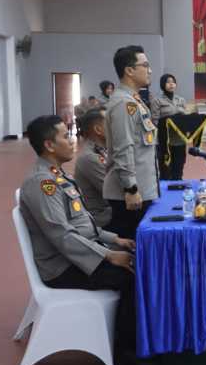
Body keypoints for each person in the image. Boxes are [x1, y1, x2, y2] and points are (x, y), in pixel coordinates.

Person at [18, 115, 148, 365]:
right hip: (62, 267)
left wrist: (115, 240)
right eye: (65, 136)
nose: (72, 140)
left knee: (139, 259)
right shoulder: (42, 183)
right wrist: (109, 255)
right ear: (49, 145)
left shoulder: (57, 176)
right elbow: (63, 237)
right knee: (134, 276)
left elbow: (82, 225)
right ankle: (127, 354)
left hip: (79, 255)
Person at [102, 45, 158, 240]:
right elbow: (123, 148)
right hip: (130, 196)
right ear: (129, 70)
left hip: (141, 191)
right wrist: (131, 189)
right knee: (132, 253)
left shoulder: (134, 100)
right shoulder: (124, 104)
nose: (150, 70)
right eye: (145, 65)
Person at [74, 109, 112, 228]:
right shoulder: (89, 157)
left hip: (112, 211)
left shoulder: (105, 150)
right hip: (103, 219)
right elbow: (114, 193)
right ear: (98, 130)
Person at [151, 73, 188, 180]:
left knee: (179, 167)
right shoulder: (157, 101)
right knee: (165, 170)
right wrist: (168, 123)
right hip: (165, 141)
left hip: (180, 140)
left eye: (173, 82)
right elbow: (154, 121)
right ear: (163, 84)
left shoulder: (181, 100)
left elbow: (185, 119)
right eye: (168, 82)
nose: (171, 84)